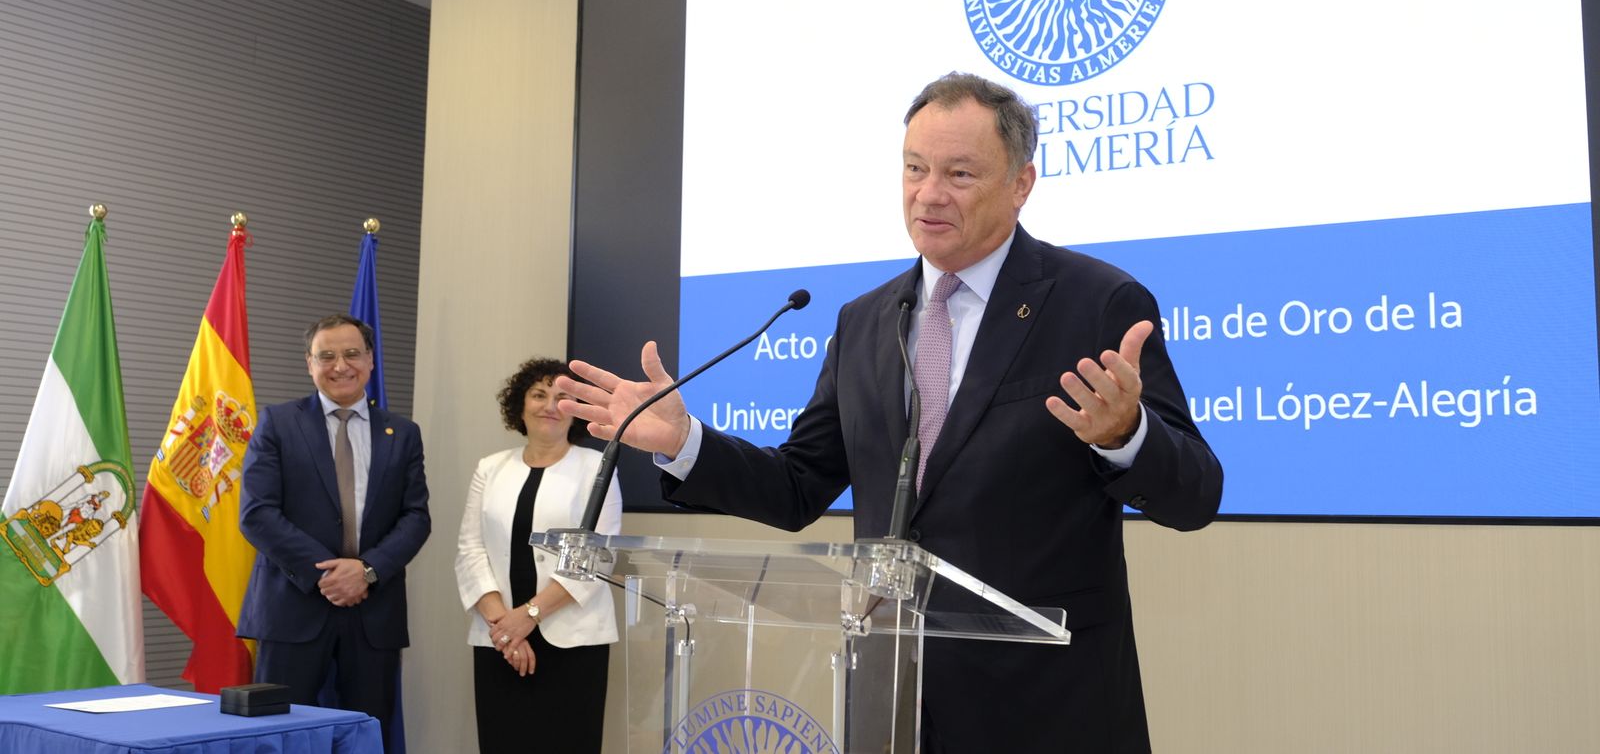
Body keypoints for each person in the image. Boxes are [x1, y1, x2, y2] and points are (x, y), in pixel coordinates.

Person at [557, 72, 1223, 753]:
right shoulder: (865, 320)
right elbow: (798, 485)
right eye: (914, 167)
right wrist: (686, 442)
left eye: (959, 173)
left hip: (1045, 704)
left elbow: (1197, 492)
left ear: (1021, 184)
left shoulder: (1096, 302)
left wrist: (1127, 437)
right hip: (892, 698)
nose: (928, 193)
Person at [238, 315, 431, 750]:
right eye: (326, 355)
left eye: (351, 354)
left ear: (370, 361)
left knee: (365, 735)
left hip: (373, 614)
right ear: (309, 364)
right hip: (292, 608)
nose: (339, 365)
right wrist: (328, 573)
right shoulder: (278, 424)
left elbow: (416, 517)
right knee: (277, 738)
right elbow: (257, 513)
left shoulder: (402, 433)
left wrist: (366, 570)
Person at [454, 358, 621, 754]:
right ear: (520, 405)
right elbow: (469, 551)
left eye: (563, 397)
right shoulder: (490, 468)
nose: (550, 405)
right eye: (539, 394)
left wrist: (526, 617)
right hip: (499, 642)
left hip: (573, 643)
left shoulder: (597, 467)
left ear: (575, 411)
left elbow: (594, 558)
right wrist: (505, 628)